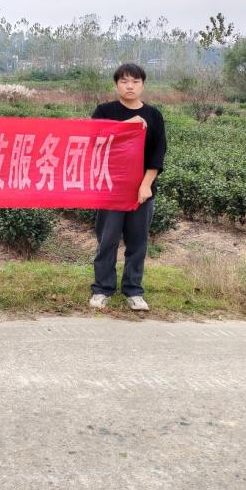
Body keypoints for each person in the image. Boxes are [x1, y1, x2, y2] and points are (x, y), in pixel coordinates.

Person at [88, 62, 166, 312]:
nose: (129, 86)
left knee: (137, 243)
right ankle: (102, 288)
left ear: (142, 85)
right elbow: (94, 140)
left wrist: (146, 185)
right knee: (107, 241)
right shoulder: (104, 111)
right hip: (110, 189)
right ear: (116, 85)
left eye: (135, 81)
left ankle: (133, 290)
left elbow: (157, 154)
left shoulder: (153, 115)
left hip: (140, 191)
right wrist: (127, 125)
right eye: (124, 81)